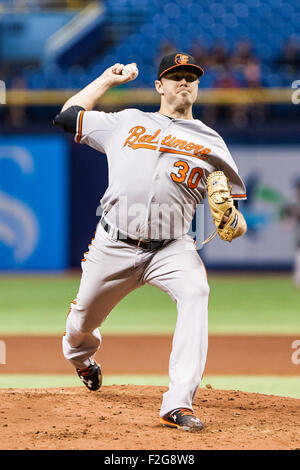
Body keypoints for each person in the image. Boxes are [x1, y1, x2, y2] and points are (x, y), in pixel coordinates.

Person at [53, 52, 247, 432]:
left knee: (197, 292)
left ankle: (178, 402)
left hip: (172, 248)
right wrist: (107, 80)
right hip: (114, 244)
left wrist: (231, 221)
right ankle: (82, 360)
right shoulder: (127, 121)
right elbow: (67, 116)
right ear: (159, 85)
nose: (184, 82)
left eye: (191, 77)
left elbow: (234, 221)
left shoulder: (212, 142)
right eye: (176, 77)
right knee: (79, 328)